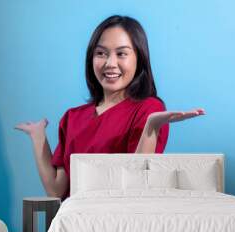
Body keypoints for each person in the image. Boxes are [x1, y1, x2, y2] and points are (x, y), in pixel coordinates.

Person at [15, 15, 205, 200]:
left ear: (139, 58)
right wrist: (38, 136)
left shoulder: (149, 109)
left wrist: (152, 127)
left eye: (121, 53)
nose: (110, 63)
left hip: (118, 222)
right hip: (76, 221)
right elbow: (56, 190)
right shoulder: (72, 117)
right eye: (101, 53)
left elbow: (136, 186)